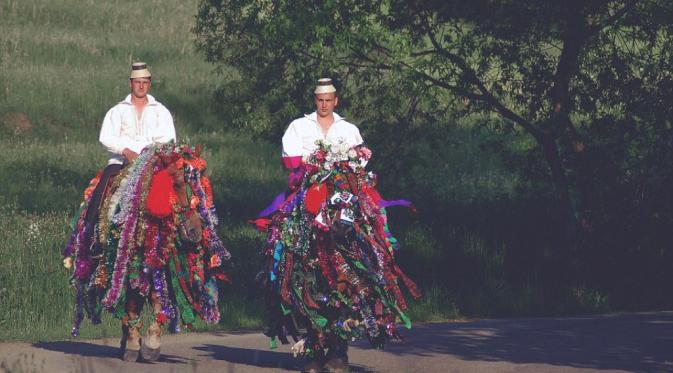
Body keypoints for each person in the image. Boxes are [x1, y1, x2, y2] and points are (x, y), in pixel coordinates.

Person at [254, 78, 421, 373]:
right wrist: (317, 170)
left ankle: (341, 345)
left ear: (336, 101)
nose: (324, 104)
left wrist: (340, 174)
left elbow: (359, 167)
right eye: (320, 100)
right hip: (307, 198)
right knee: (285, 244)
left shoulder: (348, 129)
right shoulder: (298, 127)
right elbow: (292, 163)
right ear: (315, 100)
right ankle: (309, 338)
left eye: (329, 100)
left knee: (368, 234)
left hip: (342, 199)